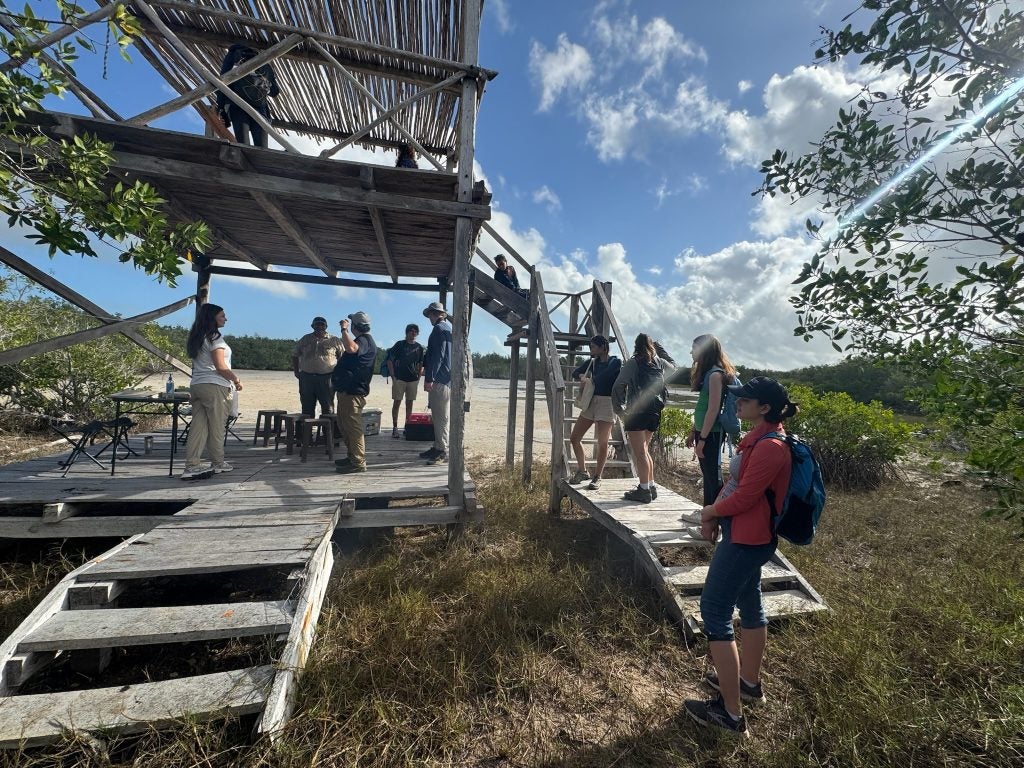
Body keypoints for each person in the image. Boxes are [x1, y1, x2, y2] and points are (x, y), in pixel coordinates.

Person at [684, 377, 799, 737]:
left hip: (749, 540)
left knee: (714, 611)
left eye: (743, 400)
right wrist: (717, 515)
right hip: (744, 534)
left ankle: (730, 716)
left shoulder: (771, 447)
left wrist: (709, 512)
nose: (736, 404)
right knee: (751, 606)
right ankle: (748, 684)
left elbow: (745, 498)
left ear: (764, 407)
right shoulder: (757, 438)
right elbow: (736, 488)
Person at [611, 333, 674, 503]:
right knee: (645, 450)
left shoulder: (634, 362)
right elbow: (673, 367)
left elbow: (618, 385)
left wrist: (619, 409)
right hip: (654, 411)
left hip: (637, 412)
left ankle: (644, 490)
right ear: (651, 346)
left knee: (640, 453)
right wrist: (660, 349)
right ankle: (651, 487)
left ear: (635, 345)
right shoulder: (659, 362)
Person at [182, 304, 242, 480]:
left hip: (197, 384)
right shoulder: (215, 337)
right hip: (214, 385)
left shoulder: (197, 336)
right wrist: (236, 379)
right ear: (213, 318)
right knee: (217, 426)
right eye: (222, 316)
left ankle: (192, 465)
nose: (226, 318)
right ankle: (218, 462)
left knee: (198, 426)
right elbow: (220, 366)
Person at [685, 334, 739, 505]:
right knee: (708, 475)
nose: (691, 352)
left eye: (694, 348)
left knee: (712, 478)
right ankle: (709, 515)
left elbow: (713, 410)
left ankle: (710, 517)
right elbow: (704, 408)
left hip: (712, 434)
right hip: (705, 432)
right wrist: (694, 431)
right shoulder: (709, 373)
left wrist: (703, 439)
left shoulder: (716, 375)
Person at [568, 335, 621, 491]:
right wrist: (581, 377)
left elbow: (605, 377)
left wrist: (590, 379)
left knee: (602, 443)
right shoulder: (592, 362)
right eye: (590, 347)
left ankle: (597, 477)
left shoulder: (615, 362)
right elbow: (575, 372)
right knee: (575, 438)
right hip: (591, 401)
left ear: (603, 346)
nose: (591, 350)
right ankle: (583, 471)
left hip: (607, 403)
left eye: (593, 347)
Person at [332, 311, 377, 474]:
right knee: (344, 425)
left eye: (351, 324)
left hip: (353, 392)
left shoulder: (364, 340)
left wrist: (343, 330)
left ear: (356, 326)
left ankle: (358, 462)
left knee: (353, 427)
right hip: (347, 391)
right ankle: (352, 456)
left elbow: (350, 348)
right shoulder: (364, 340)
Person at [216, 43, 279, 148]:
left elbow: (222, 83)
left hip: (237, 105)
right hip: (260, 109)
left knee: (243, 146)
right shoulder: (265, 64)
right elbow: (275, 92)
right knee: (262, 150)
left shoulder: (233, 56)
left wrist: (221, 108)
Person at [292, 316, 343, 419]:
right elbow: (295, 355)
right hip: (306, 377)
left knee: (327, 407)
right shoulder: (305, 339)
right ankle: (306, 433)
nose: (319, 326)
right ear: (312, 326)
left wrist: (339, 374)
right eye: (317, 324)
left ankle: (327, 434)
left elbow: (342, 357)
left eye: (322, 324)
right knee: (307, 407)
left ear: (326, 326)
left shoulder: (334, 340)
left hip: (327, 377)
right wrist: (296, 372)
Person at [421, 301, 452, 466]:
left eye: (432, 314)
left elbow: (438, 356)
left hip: (440, 379)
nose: (430, 317)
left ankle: (442, 451)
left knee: (440, 417)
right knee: (439, 416)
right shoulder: (447, 329)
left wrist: (429, 378)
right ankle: (438, 446)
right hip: (446, 379)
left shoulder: (439, 329)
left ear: (437, 314)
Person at [387, 324, 425, 438]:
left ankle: (407, 427)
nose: (413, 333)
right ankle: (395, 428)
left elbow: (421, 363)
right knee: (397, 402)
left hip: (413, 380)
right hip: (399, 378)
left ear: (417, 333)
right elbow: (389, 360)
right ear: (406, 332)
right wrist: (393, 375)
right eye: (411, 331)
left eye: (415, 331)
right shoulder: (400, 344)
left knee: (410, 403)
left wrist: (419, 376)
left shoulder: (419, 347)